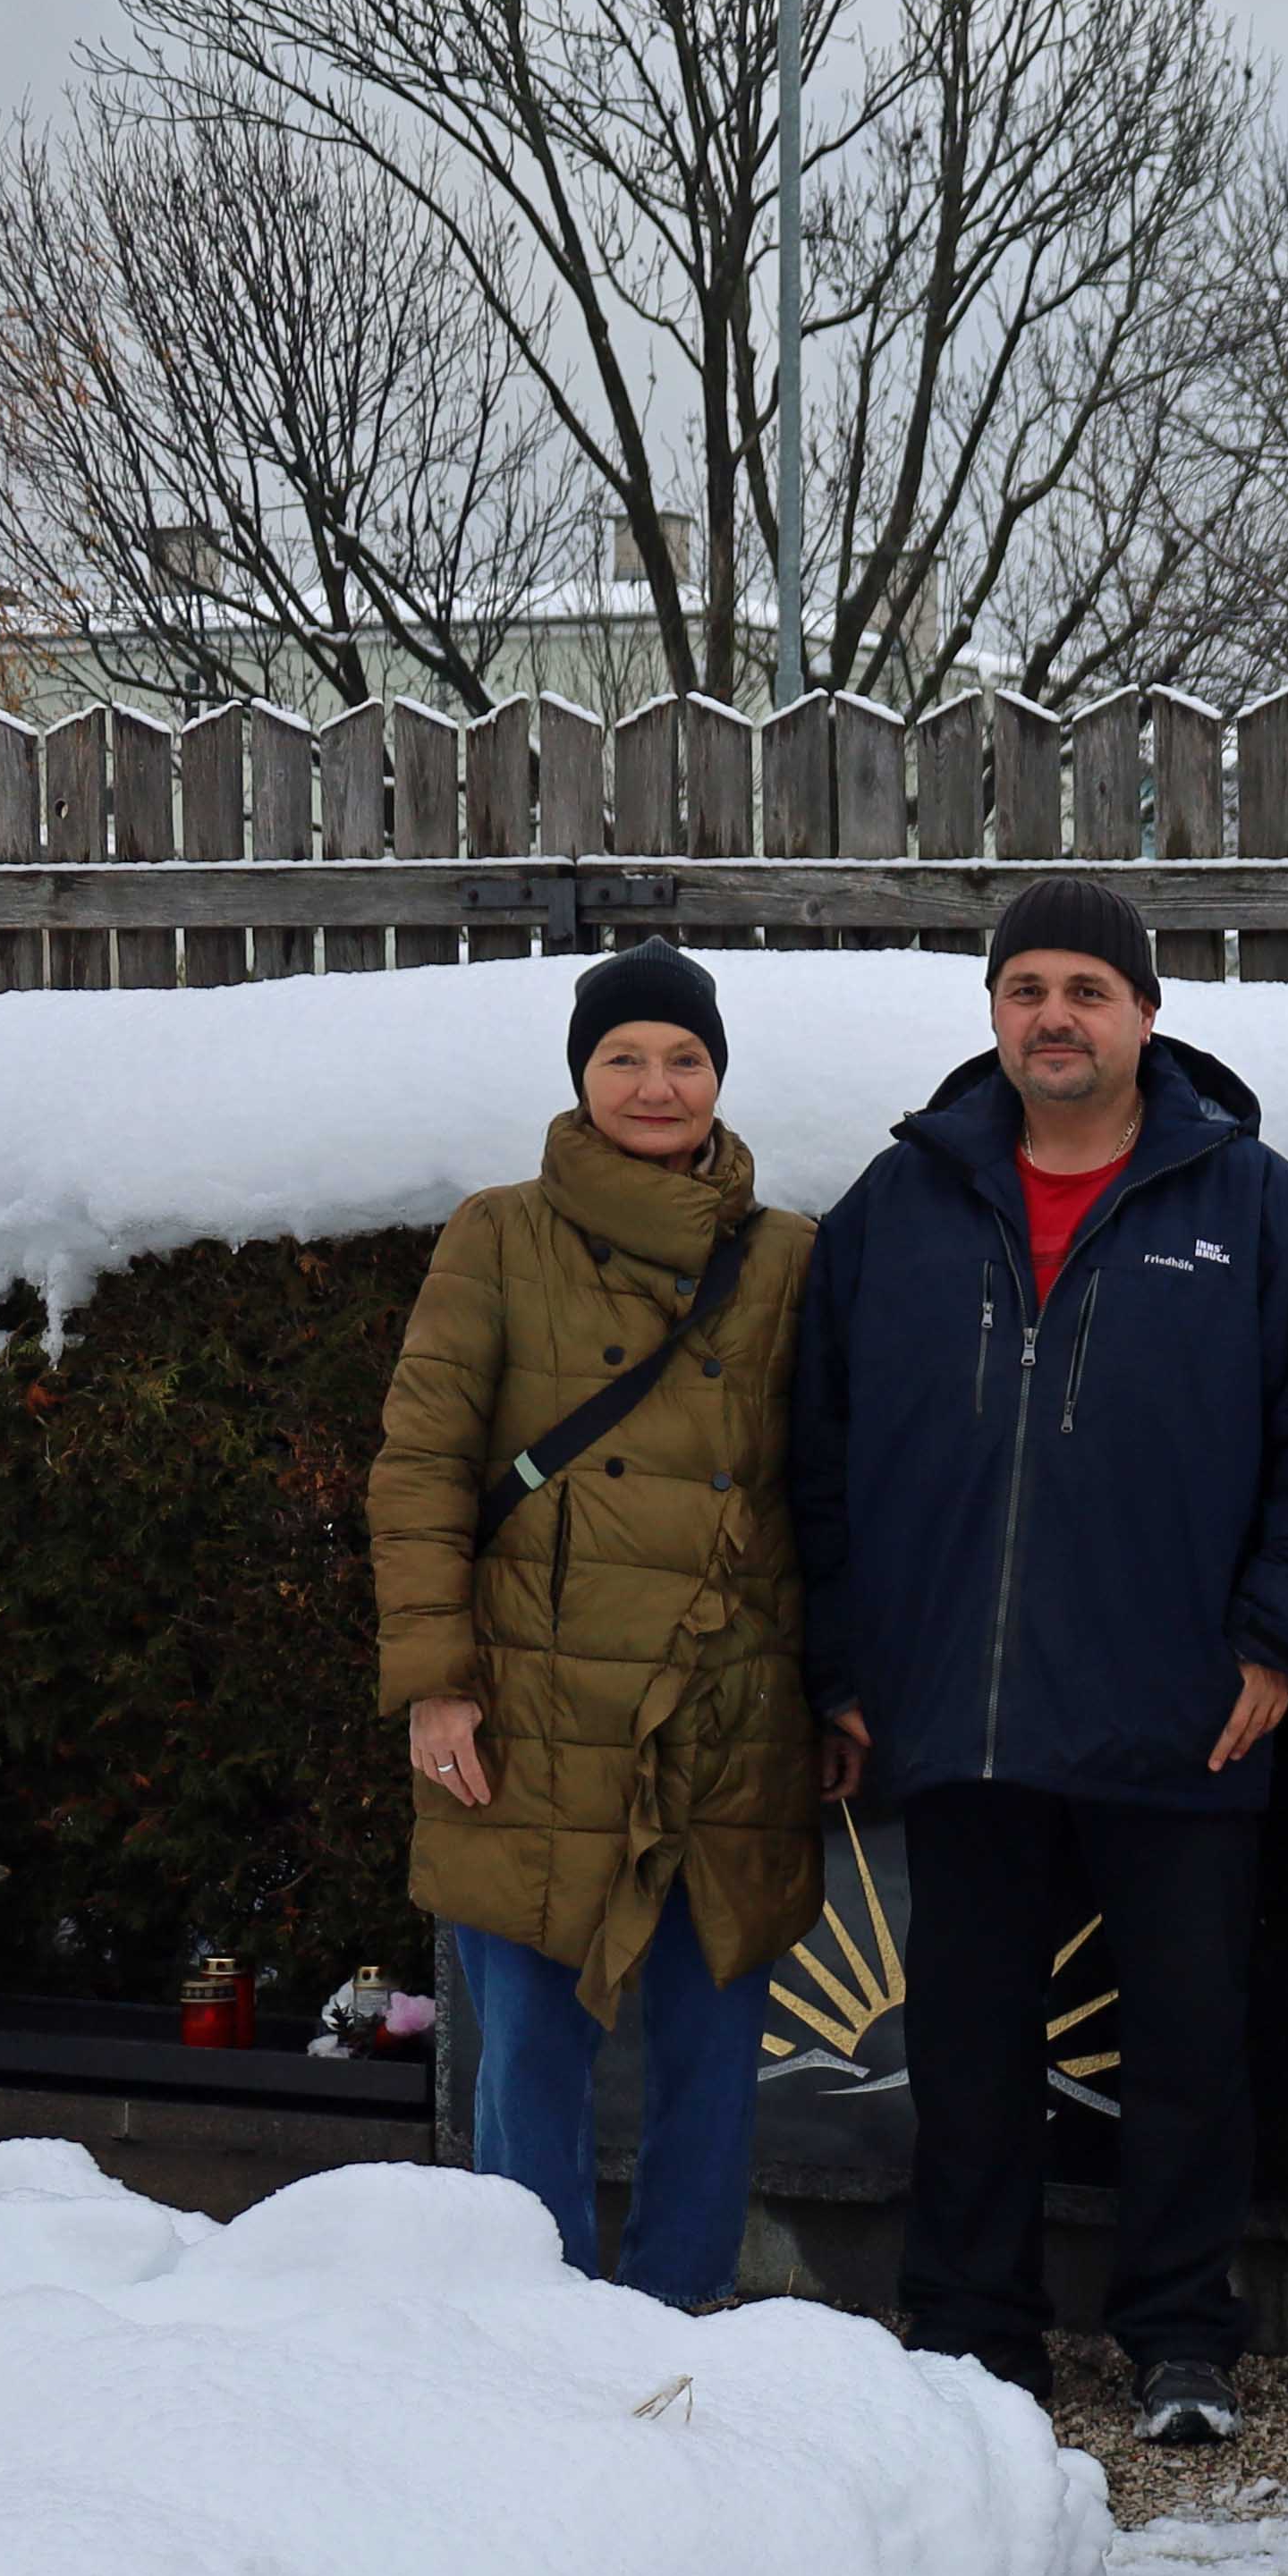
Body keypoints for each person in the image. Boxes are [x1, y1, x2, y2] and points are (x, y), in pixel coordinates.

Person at [793, 877, 1288, 2445]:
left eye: (1086, 989)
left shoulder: (1255, 1209)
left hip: (1172, 1711)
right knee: (970, 2050)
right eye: (1026, 990)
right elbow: (817, 1447)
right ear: (994, 1012)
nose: (1053, 1016)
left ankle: (1182, 2337)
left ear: (1146, 1012)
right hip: (962, 1712)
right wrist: (845, 1662)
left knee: (1189, 2047)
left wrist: (1277, 1631)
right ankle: (974, 2333)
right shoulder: (899, 1206)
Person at [370, 945, 818, 2304]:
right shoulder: (497, 1232)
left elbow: (828, 1498)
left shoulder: (790, 1256)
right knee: (529, 2060)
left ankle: (680, 2322)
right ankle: (529, 2328)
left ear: (719, 1075)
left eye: (684, 1057)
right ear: (580, 1075)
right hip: (534, 1714)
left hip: (724, 1710)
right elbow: (422, 1467)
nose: (655, 1083)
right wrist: (435, 1686)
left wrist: (837, 1689)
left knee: (711, 2054)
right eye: (624, 1055)